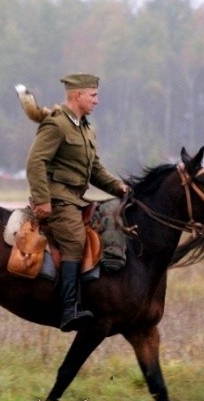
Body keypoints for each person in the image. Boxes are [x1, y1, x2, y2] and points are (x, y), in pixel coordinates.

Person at [25, 73, 129, 332]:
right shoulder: (56, 124)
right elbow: (35, 162)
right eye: (93, 95)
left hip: (76, 198)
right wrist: (42, 199)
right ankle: (68, 308)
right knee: (75, 241)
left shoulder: (86, 128)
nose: (97, 100)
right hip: (58, 199)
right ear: (77, 95)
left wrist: (117, 186)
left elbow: (94, 169)